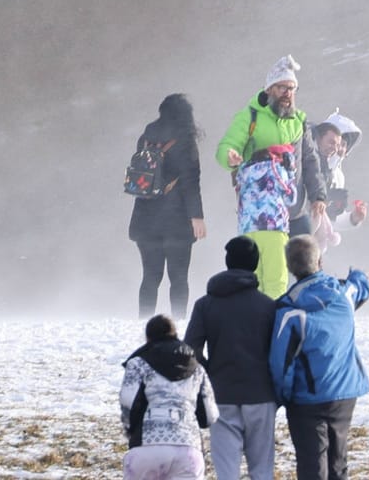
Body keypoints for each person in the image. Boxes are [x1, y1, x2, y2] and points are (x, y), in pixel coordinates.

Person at [269, 236, 369, 480]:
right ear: (320, 260)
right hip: (345, 392)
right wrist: (356, 272)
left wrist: (282, 396)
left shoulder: (287, 308)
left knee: (312, 466)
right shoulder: (344, 293)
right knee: (338, 462)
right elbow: (362, 285)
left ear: (289, 267)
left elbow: (280, 363)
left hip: (307, 398)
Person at [217, 55, 317, 298]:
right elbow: (226, 146)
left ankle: (270, 313)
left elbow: (309, 160)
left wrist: (318, 195)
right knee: (260, 268)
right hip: (254, 205)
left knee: (280, 269)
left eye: (291, 89)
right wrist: (229, 156)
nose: (287, 93)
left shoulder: (298, 122)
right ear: (269, 89)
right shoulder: (250, 116)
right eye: (282, 87)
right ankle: (262, 314)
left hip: (284, 206)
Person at [184, 236, 278, 480]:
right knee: (262, 470)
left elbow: (190, 349)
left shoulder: (205, 305)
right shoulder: (268, 306)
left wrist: (210, 372)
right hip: (261, 395)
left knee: (227, 471)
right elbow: (279, 352)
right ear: (255, 264)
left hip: (221, 394)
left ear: (227, 262)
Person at [128, 93, 206, 318]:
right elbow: (191, 182)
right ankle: (179, 323)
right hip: (177, 222)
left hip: (145, 219)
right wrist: (197, 217)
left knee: (150, 277)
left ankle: (143, 323)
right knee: (178, 278)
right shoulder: (185, 140)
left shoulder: (145, 138)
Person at [119, 314, 214, 479]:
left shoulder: (138, 364)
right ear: (175, 335)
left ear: (148, 338)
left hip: (146, 447)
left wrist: (130, 430)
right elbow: (209, 415)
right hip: (188, 449)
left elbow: (128, 402)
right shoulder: (197, 368)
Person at [308, 111, 368, 251]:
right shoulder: (309, 161)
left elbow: (332, 220)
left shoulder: (338, 175)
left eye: (345, 144)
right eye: (337, 142)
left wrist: (353, 219)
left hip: (316, 244)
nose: (340, 148)